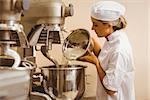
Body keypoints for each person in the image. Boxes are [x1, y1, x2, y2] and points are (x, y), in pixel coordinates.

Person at [79, 1, 135, 100]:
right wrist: (90, 41)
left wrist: (95, 62)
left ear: (108, 25)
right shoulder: (113, 38)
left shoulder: (119, 50)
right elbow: (106, 60)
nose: (92, 28)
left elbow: (111, 88)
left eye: (95, 25)